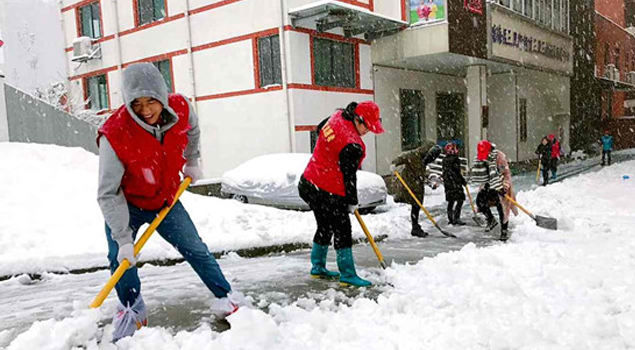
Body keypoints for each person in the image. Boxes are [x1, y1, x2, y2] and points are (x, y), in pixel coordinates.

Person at [97, 63, 239, 341]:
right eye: (136, 104)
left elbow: (193, 131)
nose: (146, 110)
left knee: (196, 250)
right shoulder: (114, 134)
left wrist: (193, 160)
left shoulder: (181, 108)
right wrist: (123, 239)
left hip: (165, 200)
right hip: (126, 203)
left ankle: (228, 298)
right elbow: (107, 191)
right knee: (120, 259)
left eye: (152, 101)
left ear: (163, 95)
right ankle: (131, 309)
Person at [298, 101, 385, 287]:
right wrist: (351, 201)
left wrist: (328, 154)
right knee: (343, 229)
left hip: (308, 182)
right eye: (367, 128)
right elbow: (349, 177)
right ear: (357, 119)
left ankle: (317, 267)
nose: (366, 132)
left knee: (325, 225)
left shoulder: (337, 116)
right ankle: (347, 274)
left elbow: (319, 128)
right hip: (326, 189)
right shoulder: (353, 145)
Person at [391, 141, 442, 238]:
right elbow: (400, 158)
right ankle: (415, 228)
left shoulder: (424, 159)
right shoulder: (413, 155)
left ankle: (416, 227)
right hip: (409, 185)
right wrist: (394, 164)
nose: (431, 159)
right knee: (415, 206)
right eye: (431, 156)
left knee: (417, 207)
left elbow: (421, 174)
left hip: (418, 187)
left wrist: (430, 184)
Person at [471, 141, 517, 241]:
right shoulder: (481, 158)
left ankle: (504, 231)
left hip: (500, 185)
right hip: (488, 185)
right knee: (480, 202)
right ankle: (491, 219)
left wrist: (504, 187)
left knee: (502, 208)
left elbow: (507, 174)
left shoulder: (500, 158)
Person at [441, 142, 467, 225]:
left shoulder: (445, 160)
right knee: (460, 200)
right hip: (455, 182)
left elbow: (446, 171)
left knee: (451, 201)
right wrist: (462, 181)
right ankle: (456, 217)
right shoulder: (455, 159)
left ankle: (451, 219)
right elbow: (457, 172)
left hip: (448, 183)